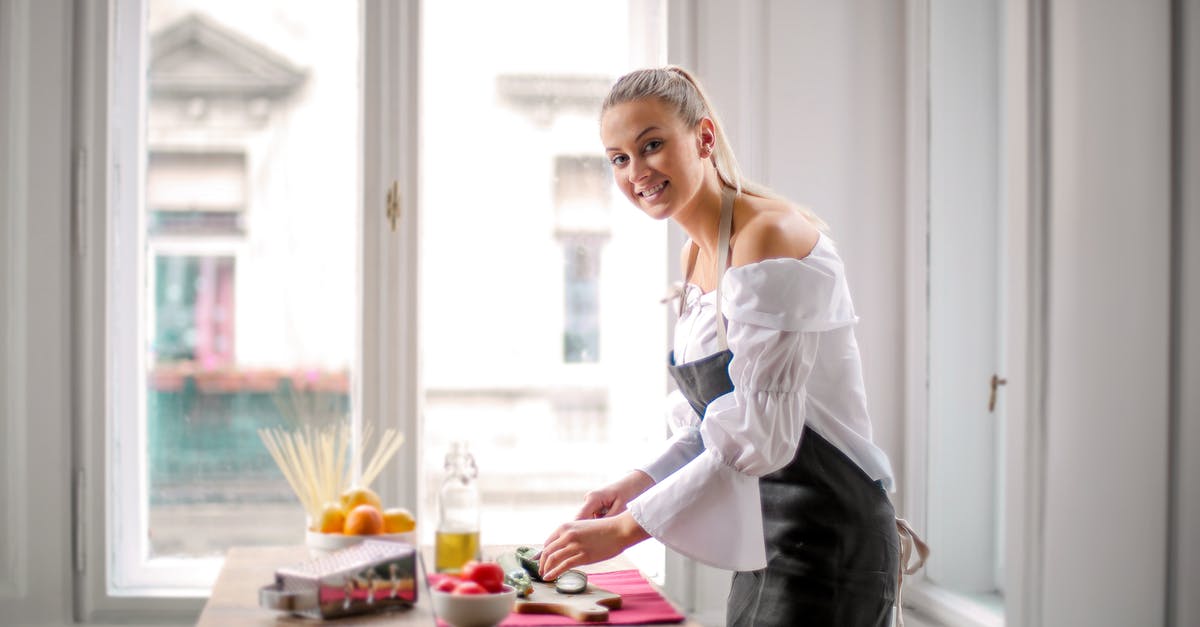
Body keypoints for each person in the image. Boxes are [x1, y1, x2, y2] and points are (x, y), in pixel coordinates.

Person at [536, 66, 926, 626]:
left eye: (652, 145)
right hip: (765, 539)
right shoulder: (695, 256)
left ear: (704, 138)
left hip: (832, 539)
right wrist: (639, 482)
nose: (637, 171)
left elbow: (760, 438)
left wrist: (627, 531)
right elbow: (710, 422)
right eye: (619, 158)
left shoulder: (767, 238)